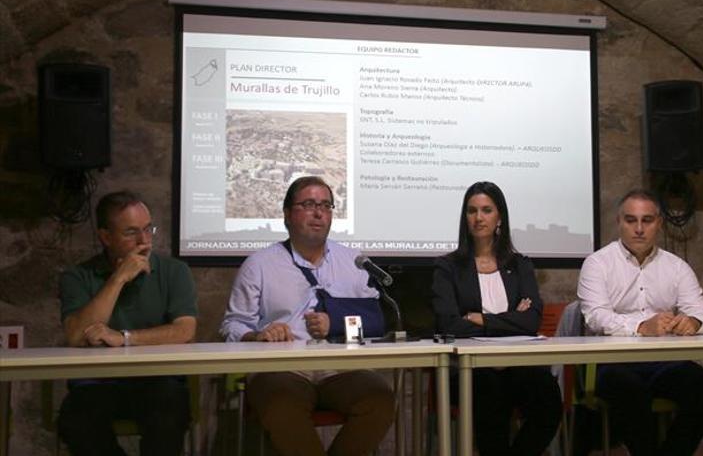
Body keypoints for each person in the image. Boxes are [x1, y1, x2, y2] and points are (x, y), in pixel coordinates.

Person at [220, 176, 394, 456]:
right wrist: (257, 334)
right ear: (287, 214)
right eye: (309, 204)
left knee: (379, 399)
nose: (318, 213)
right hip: (282, 368)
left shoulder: (354, 262)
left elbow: (375, 321)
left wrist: (335, 323)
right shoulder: (259, 264)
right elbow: (233, 324)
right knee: (280, 405)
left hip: (341, 368)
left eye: (326, 205)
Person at [577, 188, 703, 455]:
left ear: (659, 223)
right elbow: (596, 317)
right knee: (630, 392)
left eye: (647, 220)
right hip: (612, 362)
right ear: (619, 222)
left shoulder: (676, 267)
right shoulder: (597, 263)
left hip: (664, 362)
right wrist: (642, 327)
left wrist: (692, 322)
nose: (639, 228)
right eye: (631, 220)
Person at [57, 190, 198, 456]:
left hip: (157, 381)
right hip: (97, 384)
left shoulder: (174, 271)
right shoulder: (77, 276)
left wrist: (124, 338)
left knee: (169, 411)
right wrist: (118, 279)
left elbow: (184, 330)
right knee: (76, 420)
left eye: (148, 229)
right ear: (106, 237)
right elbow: (76, 335)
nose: (144, 241)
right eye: (131, 233)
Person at [432, 181, 562, 456]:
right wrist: (510, 319)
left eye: (487, 210)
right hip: (470, 370)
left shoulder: (520, 265)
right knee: (489, 392)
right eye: (472, 211)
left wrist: (481, 319)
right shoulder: (448, 267)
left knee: (547, 394)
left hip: (516, 365)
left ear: (499, 216)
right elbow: (449, 324)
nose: (479, 218)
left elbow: (531, 322)